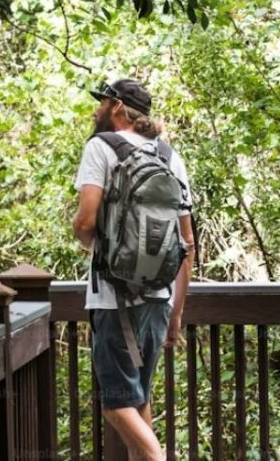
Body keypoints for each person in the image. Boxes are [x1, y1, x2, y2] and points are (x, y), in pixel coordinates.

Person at [73, 78, 194, 461]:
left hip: (112, 298)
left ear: (116, 106)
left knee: (115, 403)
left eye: (101, 102)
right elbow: (186, 243)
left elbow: (85, 221)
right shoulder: (168, 155)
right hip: (159, 297)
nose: (96, 110)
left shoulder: (101, 147)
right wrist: (176, 311)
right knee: (138, 399)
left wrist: (107, 253)